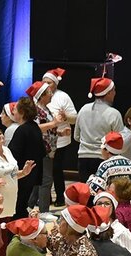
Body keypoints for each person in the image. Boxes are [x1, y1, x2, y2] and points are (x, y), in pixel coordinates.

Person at [25, 81, 63, 213]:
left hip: (48, 149)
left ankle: (28, 206)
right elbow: (35, 128)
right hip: (41, 149)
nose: (51, 94)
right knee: (46, 181)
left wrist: (60, 132)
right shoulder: (36, 110)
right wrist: (54, 123)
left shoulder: (46, 109)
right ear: (41, 96)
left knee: (39, 180)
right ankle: (44, 212)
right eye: (49, 92)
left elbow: (48, 130)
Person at [75, 76, 123, 180]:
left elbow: (76, 136)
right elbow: (119, 141)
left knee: (85, 189)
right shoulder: (114, 114)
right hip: (104, 159)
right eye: (114, 90)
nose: (115, 93)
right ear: (108, 93)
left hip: (83, 158)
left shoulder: (83, 109)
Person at [44, 68, 78, 206]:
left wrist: (65, 117)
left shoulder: (63, 97)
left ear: (56, 84)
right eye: (44, 82)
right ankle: (45, 197)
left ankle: (60, 197)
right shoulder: (38, 96)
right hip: (44, 140)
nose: (46, 85)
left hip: (60, 140)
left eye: (49, 82)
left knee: (56, 169)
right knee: (44, 170)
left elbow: (74, 118)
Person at [7, 97, 45, 219]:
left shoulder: (22, 130)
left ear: (22, 112)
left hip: (21, 175)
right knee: (22, 206)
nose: (13, 112)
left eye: (15, 109)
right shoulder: (35, 128)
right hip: (32, 175)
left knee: (17, 208)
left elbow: (13, 154)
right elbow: (42, 151)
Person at [87, 131, 131, 200]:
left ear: (107, 150)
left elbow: (93, 190)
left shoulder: (106, 165)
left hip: (113, 205)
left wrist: (91, 179)